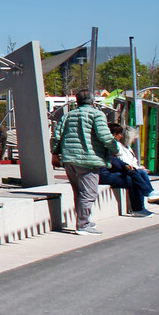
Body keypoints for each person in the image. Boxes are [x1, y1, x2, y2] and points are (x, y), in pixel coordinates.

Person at [50, 89, 121, 235]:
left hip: (69, 159)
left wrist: (55, 154)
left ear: (77, 101)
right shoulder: (97, 114)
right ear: (92, 101)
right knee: (89, 193)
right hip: (89, 159)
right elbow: (104, 135)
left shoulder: (68, 115)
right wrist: (115, 149)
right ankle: (83, 225)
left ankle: (84, 220)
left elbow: (57, 136)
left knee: (79, 192)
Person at [98, 123, 159, 217]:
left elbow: (115, 160)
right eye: (119, 133)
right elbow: (112, 161)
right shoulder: (108, 145)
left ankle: (148, 196)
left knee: (138, 174)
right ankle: (141, 204)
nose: (121, 135)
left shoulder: (112, 145)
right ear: (113, 134)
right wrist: (125, 167)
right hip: (103, 174)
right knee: (133, 179)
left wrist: (126, 166)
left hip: (110, 172)